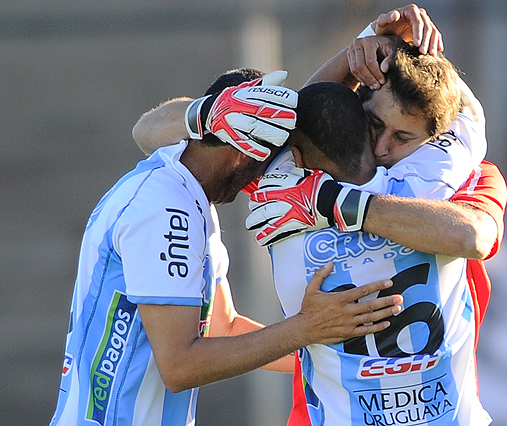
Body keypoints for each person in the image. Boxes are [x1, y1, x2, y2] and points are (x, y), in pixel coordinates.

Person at [49, 69, 404, 426]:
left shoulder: (187, 196)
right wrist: (306, 327)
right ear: (245, 150)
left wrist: (335, 353)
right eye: (271, 162)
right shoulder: (166, 209)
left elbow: (224, 327)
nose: (267, 179)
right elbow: (180, 365)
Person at [250, 80, 493, 425]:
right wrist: (400, 45)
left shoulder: (275, 204)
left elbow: (159, 135)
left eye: (402, 137)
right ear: (365, 130)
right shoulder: (442, 185)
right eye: (378, 128)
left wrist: (360, 51)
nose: (383, 148)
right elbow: (469, 116)